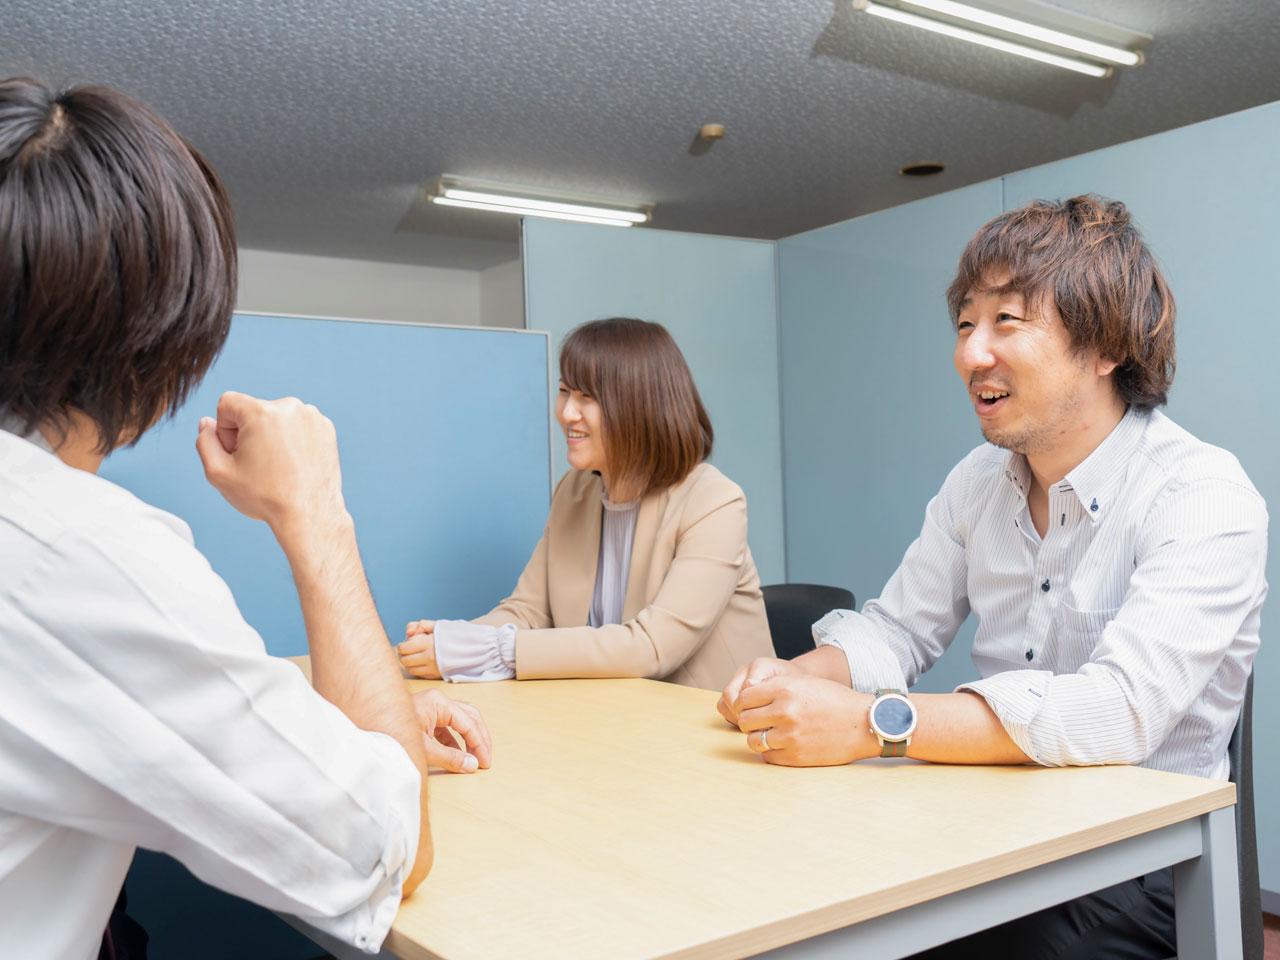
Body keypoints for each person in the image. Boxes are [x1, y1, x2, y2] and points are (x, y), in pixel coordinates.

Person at [0, 77, 491, 960]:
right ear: (161, 337)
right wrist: (317, 512)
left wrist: (327, 721)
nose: (570, 411)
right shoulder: (69, 546)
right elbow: (385, 843)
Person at [718, 195, 1266, 958]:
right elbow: (897, 629)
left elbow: (1121, 710)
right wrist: (790, 683)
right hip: (993, 820)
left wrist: (872, 724)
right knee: (790, 894)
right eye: (966, 323)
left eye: (1007, 322)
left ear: (1108, 346)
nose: (971, 354)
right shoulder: (978, 482)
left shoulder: (1203, 494)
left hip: (1143, 866)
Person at [399, 317, 773, 690]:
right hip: (616, 717)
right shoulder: (574, 493)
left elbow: (652, 647)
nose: (566, 413)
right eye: (565, 391)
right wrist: (454, 641)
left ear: (639, 405)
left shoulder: (714, 502)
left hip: (714, 731)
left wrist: (494, 651)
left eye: (587, 397)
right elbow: (528, 610)